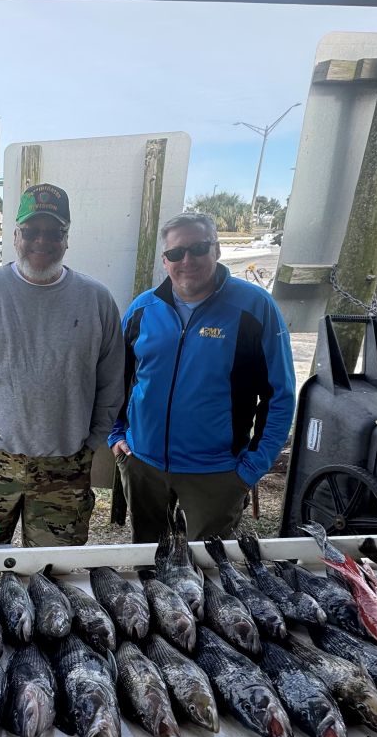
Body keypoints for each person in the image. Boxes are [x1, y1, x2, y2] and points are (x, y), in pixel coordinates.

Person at [0, 183, 124, 547]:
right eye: (31, 231)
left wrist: (91, 443)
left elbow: (111, 381)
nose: (42, 240)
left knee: (52, 572)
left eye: (54, 232)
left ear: (67, 238)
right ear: (15, 235)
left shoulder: (97, 300)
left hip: (65, 465)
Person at [110, 211, 296, 541]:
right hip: (143, 465)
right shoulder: (142, 309)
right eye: (176, 253)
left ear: (217, 249)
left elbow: (280, 395)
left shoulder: (254, 308)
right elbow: (117, 380)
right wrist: (116, 435)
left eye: (198, 248)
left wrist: (253, 467)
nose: (187, 260)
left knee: (208, 566)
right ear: (165, 261)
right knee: (148, 560)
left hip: (217, 472)